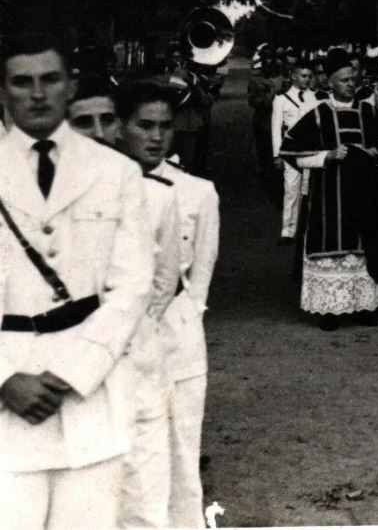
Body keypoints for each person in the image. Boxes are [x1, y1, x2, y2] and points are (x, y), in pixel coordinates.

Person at [0, 33, 152, 529]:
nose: (36, 94)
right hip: (9, 402)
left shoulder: (116, 172)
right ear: (3, 91)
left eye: (50, 79)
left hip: (91, 397)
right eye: (21, 82)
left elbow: (132, 286)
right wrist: (6, 379)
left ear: (70, 86)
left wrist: (73, 372)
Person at [107, 82, 184, 528]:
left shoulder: (162, 195)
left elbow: (165, 282)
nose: (156, 137)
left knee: (145, 491)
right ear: (121, 128)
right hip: (84, 362)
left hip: (140, 356)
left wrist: (133, 335)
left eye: (165, 127)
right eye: (145, 126)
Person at [280, 50, 378, 330]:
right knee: (332, 244)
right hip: (329, 196)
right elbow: (290, 151)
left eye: (352, 79)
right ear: (330, 83)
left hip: (364, 194)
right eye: (344, 80)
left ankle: (363, 306)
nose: (350, 84)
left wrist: (374, 153)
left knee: (364, 244)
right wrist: (327, 155)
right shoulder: (318, 114)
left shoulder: (367, 111)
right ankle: (330, 310)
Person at [153, 150, 220, 527]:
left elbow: (203, 264)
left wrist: (191, 311)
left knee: (182, 443)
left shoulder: (197, 191)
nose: (154, 137)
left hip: (177, 328)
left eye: (162, 126)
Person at [271, 64, 317, 245]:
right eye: (303, 75)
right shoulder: (281, 99)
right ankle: (288, 231)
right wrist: (277, 154)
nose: (307, 79)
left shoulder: (315, 98)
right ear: (293, 77)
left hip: (311, 149)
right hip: (290, 150)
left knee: (310, 188)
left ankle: (309, 229)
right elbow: (276, 128)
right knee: (291, 189)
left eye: (309, 76)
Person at [247, 58, 280, 176]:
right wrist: (265, 97)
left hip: (279, 121)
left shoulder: (285, 80)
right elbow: (251, 100)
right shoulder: (256, 80)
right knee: (263, 149)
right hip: (263, 120)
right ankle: (264, 171)